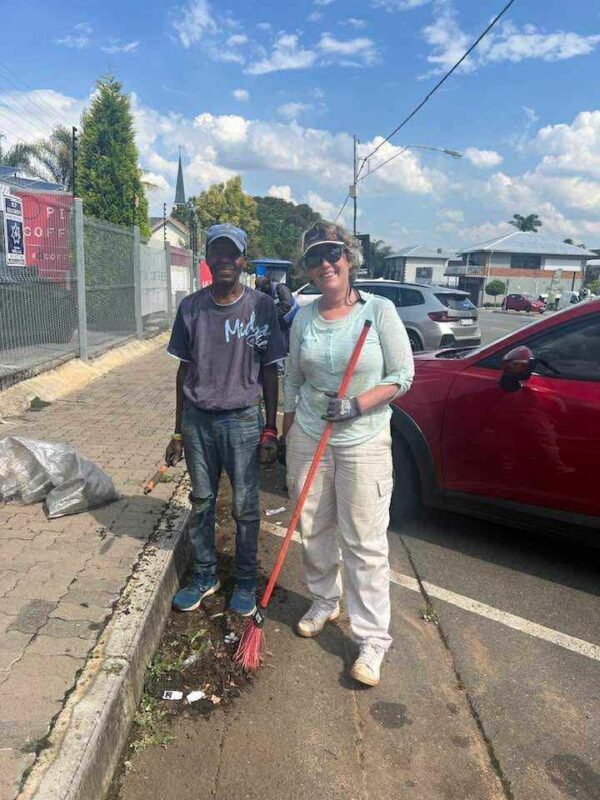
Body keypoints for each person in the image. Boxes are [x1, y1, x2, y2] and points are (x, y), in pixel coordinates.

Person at [282, 221, 414, 687]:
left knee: (363, 540)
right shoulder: (303, 316)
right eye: (315, 258)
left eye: (332, 253)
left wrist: (357, 404)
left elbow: (402, 375)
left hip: (363, 440)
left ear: (349, 257)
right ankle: (324, 599)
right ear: (308, 268)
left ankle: (372, 639)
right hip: (310, 435)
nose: (324, 264)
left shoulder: (378, 312)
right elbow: (293, 378)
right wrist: (287, 426)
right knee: (312, 524)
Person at [165, 223, 286, 617]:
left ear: (242, 259)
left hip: (243, 421)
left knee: (246, 507)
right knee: (201, 502)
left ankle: (246, 581)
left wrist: (270, 428)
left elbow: (270, 370)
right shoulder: (191, 307)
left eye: (231, 253)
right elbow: (183, 371)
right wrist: (178, 431)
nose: (223, 260)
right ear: (207, 259)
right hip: (198, 422)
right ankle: (205, 575)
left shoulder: (261, 307)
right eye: (216, 252)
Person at [255, 274, 298, 352]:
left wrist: (273, 316)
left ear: (267, 284)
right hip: (281, 318)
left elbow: (286, 306)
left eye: (262, 288)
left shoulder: (281, 288)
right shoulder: (266, 292)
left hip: (292, 316)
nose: (261, 291)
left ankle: (284, 354)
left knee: (286, 337)